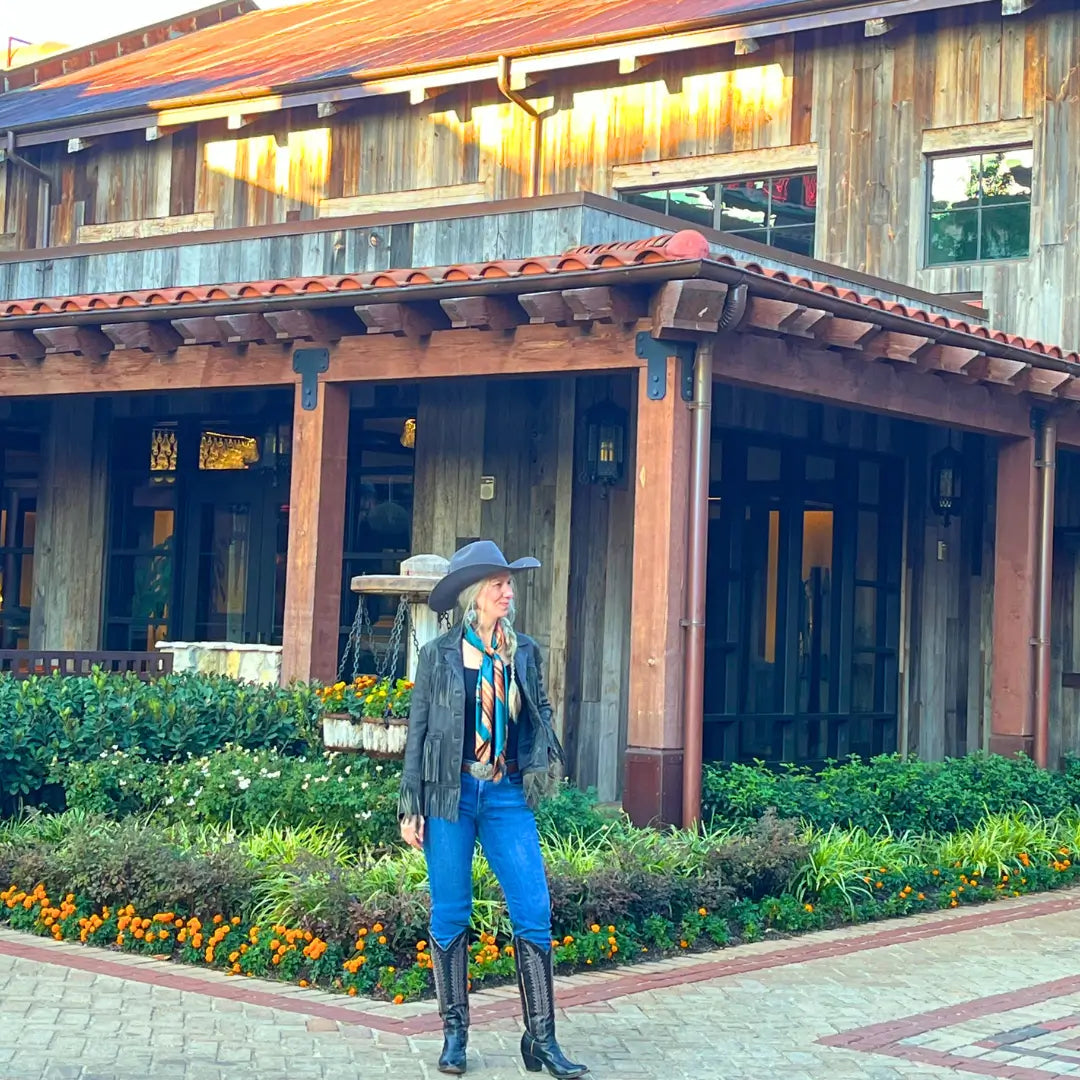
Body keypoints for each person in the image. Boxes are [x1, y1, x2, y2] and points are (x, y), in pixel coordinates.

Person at [399, 540, 588, 1079]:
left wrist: (543, 749)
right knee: (451, 911)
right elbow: (418, 732)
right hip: (449, 794)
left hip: (505, 793)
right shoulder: (438, 653)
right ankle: (455, 1034)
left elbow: (539, 705)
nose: (509, 592)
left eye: (510, 584)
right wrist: (411, 805)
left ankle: (542, 1039)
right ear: (476, 594)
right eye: (500, 585)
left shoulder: (522, 650)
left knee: (534, 908)